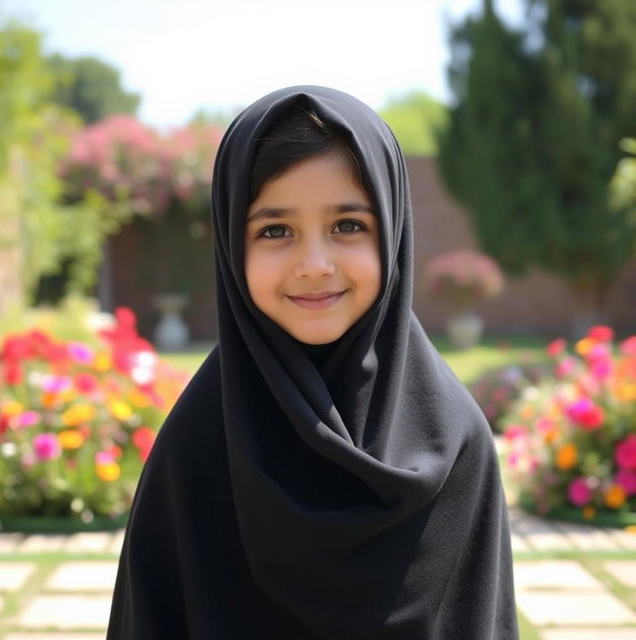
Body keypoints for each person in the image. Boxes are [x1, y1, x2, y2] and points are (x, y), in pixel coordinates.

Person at [106, 86, 519, 639]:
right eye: (275, 231)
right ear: (233, 244)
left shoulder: (455, 445)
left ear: (391, 233)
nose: (315, 264)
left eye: (348, 225)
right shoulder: (197, 447)